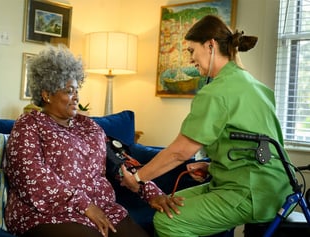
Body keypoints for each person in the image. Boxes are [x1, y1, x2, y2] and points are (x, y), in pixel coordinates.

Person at [121, 15, 293, 237]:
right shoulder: (255, 85)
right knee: (170, 203)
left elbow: (180, 152)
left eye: (192, 51)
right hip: (277, 187)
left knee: (168, 221)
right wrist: (213, 167)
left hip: (252, 192)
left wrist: (137, 178)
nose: (190, 59)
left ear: (210, 45)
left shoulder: (216, 92)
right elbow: (254, 143)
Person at [4, 44, 179, 237]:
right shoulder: (29, 124)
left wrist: (151, 192)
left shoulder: (89, 126)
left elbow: (118, 163)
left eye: (77, 89)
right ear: (46, 94)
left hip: (102, 210)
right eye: (69, 90)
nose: (76, 96)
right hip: (47, 213)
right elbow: (32, 177)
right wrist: (84, 205)